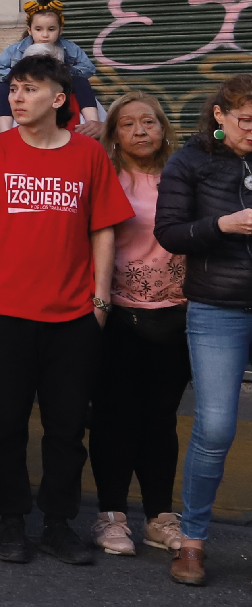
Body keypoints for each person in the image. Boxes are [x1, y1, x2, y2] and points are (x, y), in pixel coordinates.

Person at [0, 51, 129, 566]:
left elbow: (103, 230)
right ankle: (12, 518)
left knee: (65, 427)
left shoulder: (88, 156)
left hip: (73, 314)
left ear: (59, 100)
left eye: (29, 88)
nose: (17, 96)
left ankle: (59, 523)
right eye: (14, 88)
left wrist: (100, 300)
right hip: (5, 311)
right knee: (5, 422)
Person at [156, 73, 252, 586]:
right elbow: (168, 233)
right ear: (219, 115)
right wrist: (225, 225)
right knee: (214, 429)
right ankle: (191, 541)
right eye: (246, 122)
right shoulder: (189, 161)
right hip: (218, 308)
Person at [84, 92, 186, 558]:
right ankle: (111, 516)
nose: (141, 131)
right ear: (114, 132)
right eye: (128, 124)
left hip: (179, 314)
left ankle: (161, 517)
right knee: (114, 418)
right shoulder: (106, 176)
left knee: (161, 420)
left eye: (150, 122)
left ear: (164, 128)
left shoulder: (184, 175)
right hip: (118, 314)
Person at [0, 0, 98, 133]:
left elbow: (88, 68)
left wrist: (63, 72)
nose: (45, 35)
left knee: (82, 82)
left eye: (51, 29)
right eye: (39, 29)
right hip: (25, 82)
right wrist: (20, 76)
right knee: (2, 88)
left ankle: (93, 122)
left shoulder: (70, 48)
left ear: (60, 30)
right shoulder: (15, 49)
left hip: (58, 82)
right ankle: (4, 130)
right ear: (30, 30)